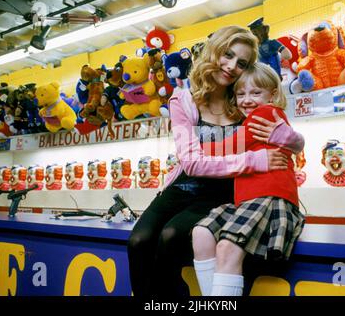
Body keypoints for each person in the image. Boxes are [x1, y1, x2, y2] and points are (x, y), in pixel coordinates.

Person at [127, 25, 304, 297]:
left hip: (222, 191)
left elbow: (289, 138)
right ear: (214, 52)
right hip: (184, 186)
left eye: (241, 63)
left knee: (172, 236)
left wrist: (290, 141)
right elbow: (192, 164)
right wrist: (255, 160)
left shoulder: (246, 100)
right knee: (139, 240)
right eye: (228, 55)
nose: (232, 66)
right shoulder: (183, 100)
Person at [192, 62, 305, 296]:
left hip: (270, 199)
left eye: (256, 92)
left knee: (226, 247)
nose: (246, 100)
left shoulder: (266, 114)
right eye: (241, 94)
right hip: (250, 201)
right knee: (201, 233)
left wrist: (193, 148)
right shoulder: (253, 119)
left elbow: (230, 146)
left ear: (272, 94)